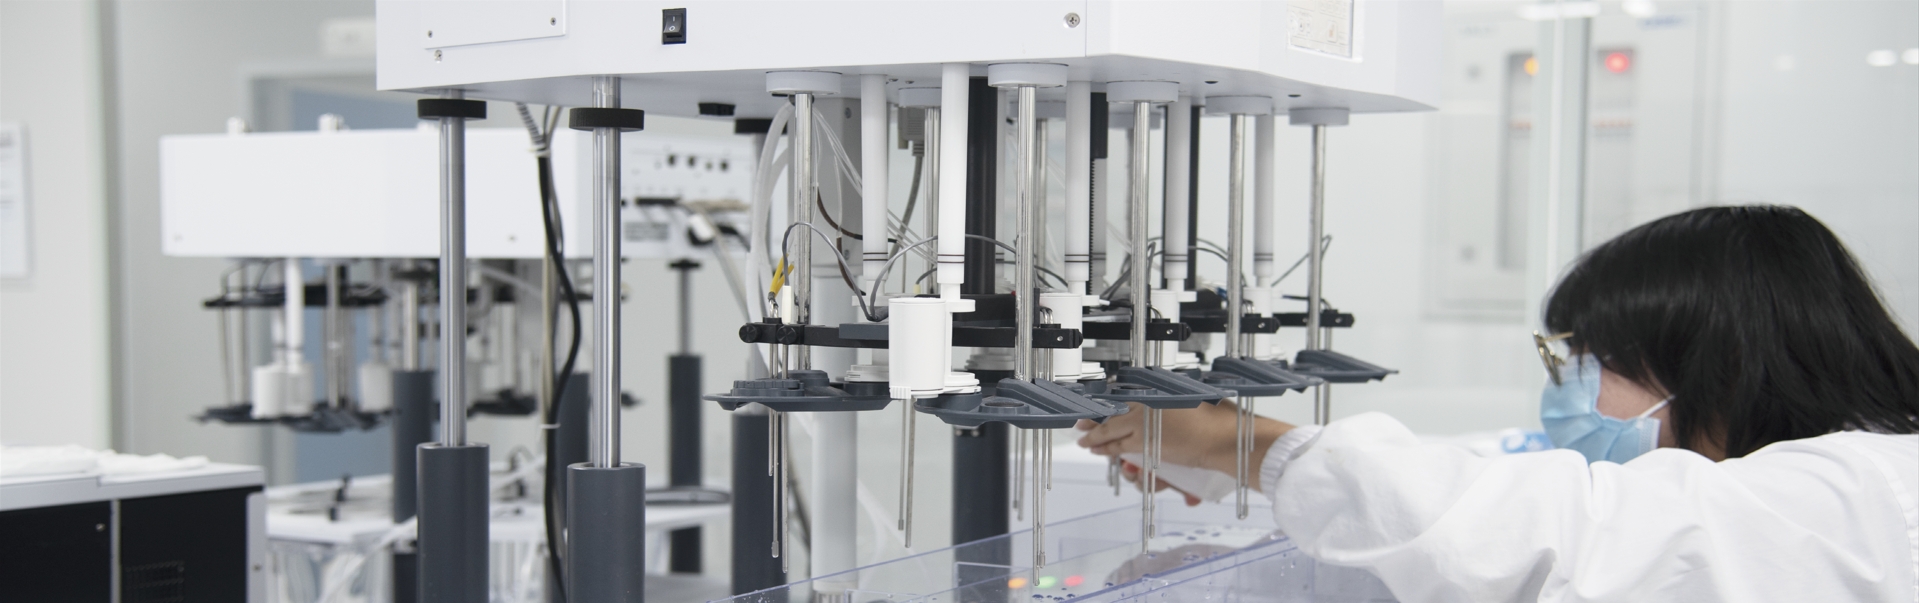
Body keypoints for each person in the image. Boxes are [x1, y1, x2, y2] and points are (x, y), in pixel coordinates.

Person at [1076, 205, 1919, 602]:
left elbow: (1538, 532)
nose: (1567, 388)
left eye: (1585, 360)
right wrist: (1227, 465)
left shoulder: (1861, 493)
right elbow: (1484, 477)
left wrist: (1244, 443)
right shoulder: (1812, 476)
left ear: (1713, 367)